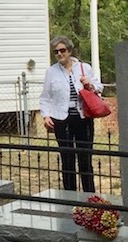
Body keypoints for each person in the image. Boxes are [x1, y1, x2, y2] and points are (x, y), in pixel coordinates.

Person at [39, 34, 103, 192]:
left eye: (62, 50)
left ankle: (89, 197)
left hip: (82, 117)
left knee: (85, 159)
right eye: (56, 52)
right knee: (67, 159)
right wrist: (46, 115)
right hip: (61, 118)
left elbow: (99, 88)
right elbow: (45, 97)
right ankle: (70, 197)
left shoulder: (84, 68)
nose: (60, 54)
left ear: (69, 50)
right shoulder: (51, 72)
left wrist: (90, 85)